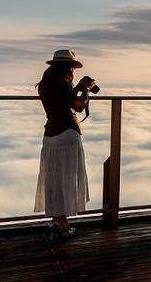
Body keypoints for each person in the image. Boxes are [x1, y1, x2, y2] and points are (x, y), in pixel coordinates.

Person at [33, 49, 93, 237]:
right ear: (68, 68)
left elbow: (61, 100)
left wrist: (76, 89)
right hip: (67, 134)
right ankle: (63, 226)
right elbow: (77, 107)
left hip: (50, 135)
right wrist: (86, 91)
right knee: (66, 179)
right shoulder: (63, 84)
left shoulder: (46, 84)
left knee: (54, 179)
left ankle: (58, 219)